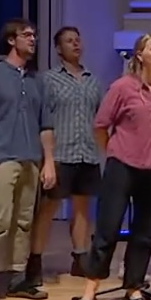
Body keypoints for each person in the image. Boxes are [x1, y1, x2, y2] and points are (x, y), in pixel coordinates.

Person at [71, 33, 151, 300]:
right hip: (123, 167)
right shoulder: (122, 87)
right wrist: (114, 154)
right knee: (108, 230)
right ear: (139, 55)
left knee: (144, 235)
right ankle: (89, 295)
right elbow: (101, 125)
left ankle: (133, 291)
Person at [0, 19, 56, 300]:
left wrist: (49, 162)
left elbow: (46, 125)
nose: (33, 39)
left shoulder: (37, 81)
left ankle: (18, 278)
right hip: (2, 158)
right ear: (11, 40)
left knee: (23, 222)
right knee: (0, 220)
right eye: (26, 35)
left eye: (34, 35)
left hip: (31, 158)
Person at [29, 26, 103, 286]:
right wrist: (45, 157)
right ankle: (35, 260)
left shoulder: (93, 79)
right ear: (59, 48)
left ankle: (80, 257)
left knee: (82, 209)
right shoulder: (48, 79)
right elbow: (42, 119)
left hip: (87, 153)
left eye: (78, 40)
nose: (75, 44)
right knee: (48, 209)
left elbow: (100, 118)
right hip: (60, 153)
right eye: (69, 41)